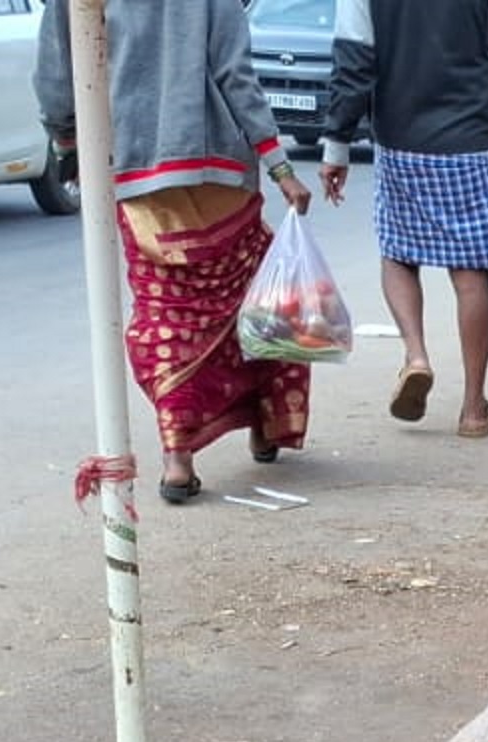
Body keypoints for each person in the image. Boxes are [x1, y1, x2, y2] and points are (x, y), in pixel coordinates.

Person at [37, 0, 313, 506]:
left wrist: (66, 139)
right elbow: (236, 73)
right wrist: (279, 166)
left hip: (137, 172)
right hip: (222, 171)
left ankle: (177, 457)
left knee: (168, 314)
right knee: (252, 302)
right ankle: (264, 421)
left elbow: (59, 66)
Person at [317, 0, 488, 441]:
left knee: (398, 253)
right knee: (470, 271)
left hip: (401, 140)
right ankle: (474, 409)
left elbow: (354, 65)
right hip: (468, 141)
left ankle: (416, 356)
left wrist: (337, 144)